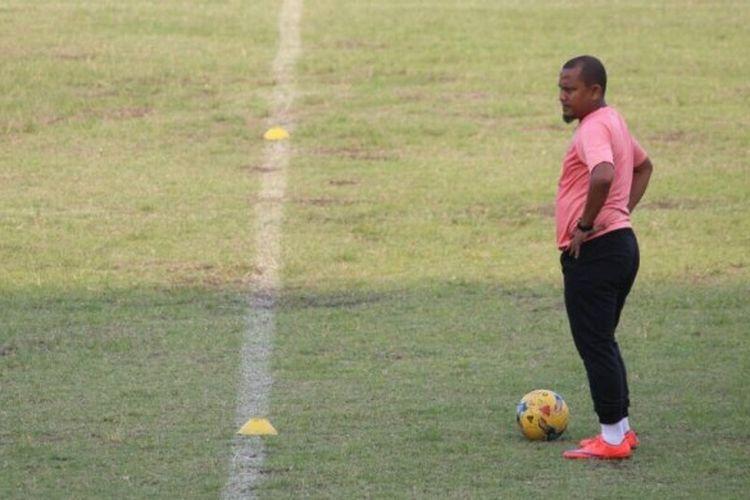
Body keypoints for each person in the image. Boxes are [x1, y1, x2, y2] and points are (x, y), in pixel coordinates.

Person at [555, 55, 653, 459]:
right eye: (560, 89)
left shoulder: (593, 128)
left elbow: (603, 174)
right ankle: (623, 430)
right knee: (603, 342)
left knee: (594, 343)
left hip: (596, 252)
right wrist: (618, 214)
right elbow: (645, 167)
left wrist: (587, 224)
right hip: (622, 245)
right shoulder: (613, 120)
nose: (562, 97)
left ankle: (611, 439)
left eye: (570, 89)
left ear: (594, 91)